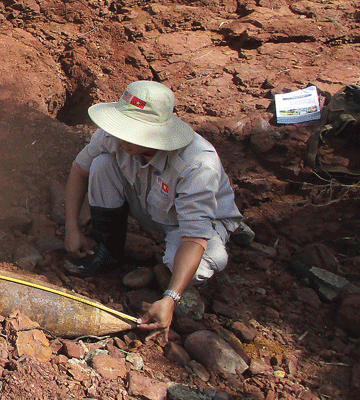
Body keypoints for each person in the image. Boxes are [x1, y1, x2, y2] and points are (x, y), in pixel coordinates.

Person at [63, 81, 242, 342]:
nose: (121, 138)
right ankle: (108, 251)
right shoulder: (113, 137)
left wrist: (171, 298)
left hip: (190, 224)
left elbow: (194, 238)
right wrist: (72, 228)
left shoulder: (197, 164)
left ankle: (167, 271)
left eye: (131, 132)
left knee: (197, 266)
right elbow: (79, 170)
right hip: (150, 205)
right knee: (101, 165)